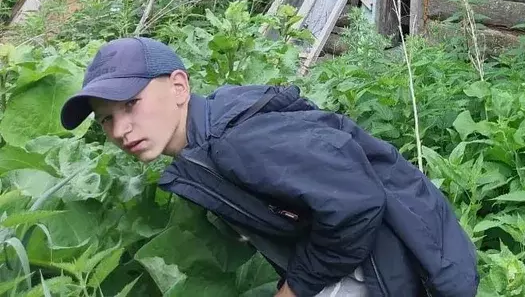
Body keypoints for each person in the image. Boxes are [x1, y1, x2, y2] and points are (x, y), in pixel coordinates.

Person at [59, 36, 480, 297]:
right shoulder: (209, 135)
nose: (121, 129)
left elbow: (357, 203)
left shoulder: (235, 141)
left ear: (179, 86)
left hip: (389, 266)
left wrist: (294, 289)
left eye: (131, 103)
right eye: (107, 119)